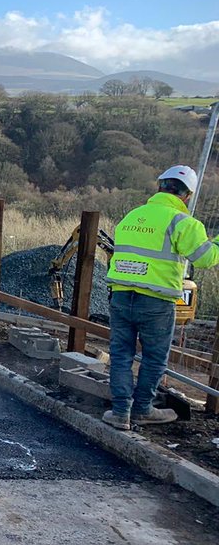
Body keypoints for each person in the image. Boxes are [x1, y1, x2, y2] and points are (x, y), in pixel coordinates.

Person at [103, 165, 219, 430]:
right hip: (156, 301)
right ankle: (143, 408)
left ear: (160, 186)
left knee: (121, 354)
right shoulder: (182, 222)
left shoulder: (133, 215)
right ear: (187, 196)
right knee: (155, 358)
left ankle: (120, 412)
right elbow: (205, 258)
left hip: (121, 296)